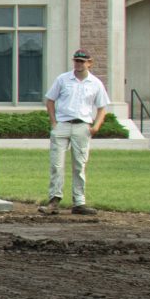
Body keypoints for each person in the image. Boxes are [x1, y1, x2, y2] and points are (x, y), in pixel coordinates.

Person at [42, 48, 112, 217]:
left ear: (89, 63)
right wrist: (54, 122)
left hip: (82, 125)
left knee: (79, 165)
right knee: (56, 164)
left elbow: (102, 107)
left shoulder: (95, 83)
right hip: (63, 124)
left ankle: (79, 202)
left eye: (82, 61)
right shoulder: (63, 79)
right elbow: (50, 100)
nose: (78, 64)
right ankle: (54, 200)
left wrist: (96, 126)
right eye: (76, 61)